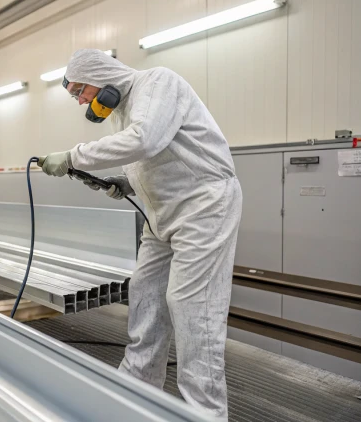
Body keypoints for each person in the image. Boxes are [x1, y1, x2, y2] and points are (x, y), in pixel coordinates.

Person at [39, 49, 242, 419]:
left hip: (203, 207)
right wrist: (127, 182)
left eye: (81, 90)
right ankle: (136, 396)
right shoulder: (123, 110)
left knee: (193, 307)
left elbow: (145, 140)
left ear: (100, 76)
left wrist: (73, 156)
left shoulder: (158, 81)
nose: (81, 101)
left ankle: (205, 412)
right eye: (75, 96)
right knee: (145, 295)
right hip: (161, 212)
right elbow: (159, 156)